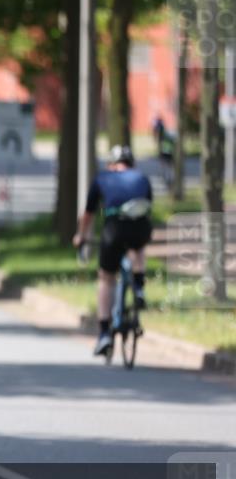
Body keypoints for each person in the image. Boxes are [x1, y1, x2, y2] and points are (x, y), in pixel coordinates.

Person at [73, 145, 153, 357]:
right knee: (138, 246)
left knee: (106, 278)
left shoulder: (102, 178)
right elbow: (148, 207)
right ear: (132, 164)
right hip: (140, 227)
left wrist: (81, 236)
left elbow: (88, 214)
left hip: (114, 229)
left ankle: (104, 333)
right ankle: (139, 284)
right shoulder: (142, 178)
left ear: (111, 164)